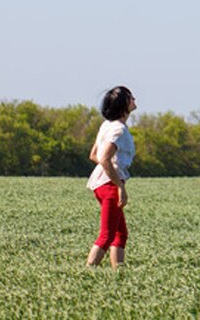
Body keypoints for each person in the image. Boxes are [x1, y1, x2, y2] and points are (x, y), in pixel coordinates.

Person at [85, 85, 137, 269]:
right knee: (107, 235)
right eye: (131, 97)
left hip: (102, 182)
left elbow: (94, 155)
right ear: (123, 104)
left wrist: (109, 168)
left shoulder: (108, 125)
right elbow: (103, 157)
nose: (134, 100)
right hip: (109, 185)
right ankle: (87, 273)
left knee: (120, 233)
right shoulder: (119, 130)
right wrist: (119, 185)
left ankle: (119, 274)